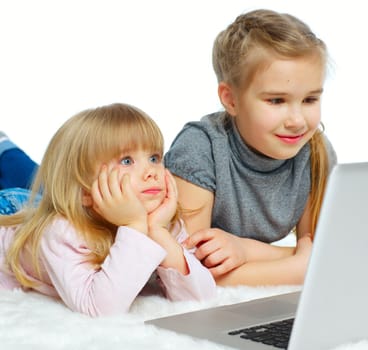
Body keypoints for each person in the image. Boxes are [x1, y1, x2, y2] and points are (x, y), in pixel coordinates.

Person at [164, 9, 337, 286]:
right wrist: (295, 269)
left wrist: (246, 251)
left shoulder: (314, 151)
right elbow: (183, 272)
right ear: (230, 99)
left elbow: (321, 254)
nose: (297, 121)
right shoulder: (200, 147)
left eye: (309, 100)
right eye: (276, 101)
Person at [0, 103, 216, 317]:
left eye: (154, 158)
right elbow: (99, 309)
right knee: (23, 175)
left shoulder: (161, 220)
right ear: (85, 191)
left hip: (34, 204)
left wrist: (159, 232)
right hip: (8, 211)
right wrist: (134, 226)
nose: (151, 171)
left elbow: (201, 298)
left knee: (32, 179)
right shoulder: (62, 231)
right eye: (127, 160)